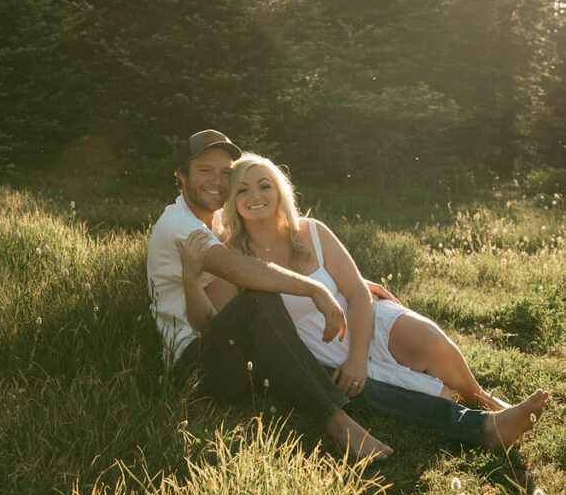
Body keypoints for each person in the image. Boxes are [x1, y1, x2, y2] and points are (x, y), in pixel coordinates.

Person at [175, 143, 548, 452]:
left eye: (264, 185)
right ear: (233, 202)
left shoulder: (313, 232)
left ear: (279, 191)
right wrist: (192, 280)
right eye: (242, 189)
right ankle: (485, 426)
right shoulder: (236, 260)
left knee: (431, 342)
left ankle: (483, 397)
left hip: (362, 320)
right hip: (320, 350)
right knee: (426, 393)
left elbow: (357, 294)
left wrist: (358, 356)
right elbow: (211, 324)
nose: (255, 196)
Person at [147, 129, 394, 460]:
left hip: (224, 344)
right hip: (192, 368)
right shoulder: (179, 223)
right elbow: (239, 269)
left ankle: (438, 411)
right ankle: (337, 422)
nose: (217, 181)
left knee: (313, 363)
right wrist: (315, 287)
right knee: (260, 302)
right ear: (181, 176)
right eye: (205, 170)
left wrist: (346, 279)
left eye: (225, 173)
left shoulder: (216, 219)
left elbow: (215, 313)